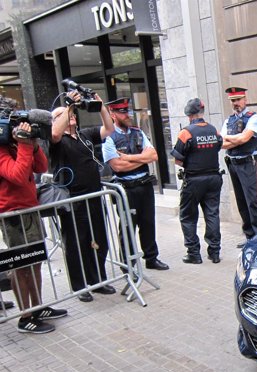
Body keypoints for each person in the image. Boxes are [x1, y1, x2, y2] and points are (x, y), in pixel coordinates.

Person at [0, 96, 67, 333]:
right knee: (21, 266)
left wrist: (33, 143)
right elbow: (17, 175)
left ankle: (38, 307)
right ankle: (24, 316)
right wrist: (25, 145)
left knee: (36, 261)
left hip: (30, 208)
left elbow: (40, 167)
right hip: (12, 215)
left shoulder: (18, 143)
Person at [50, 90, 117, 302]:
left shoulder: (84, 135)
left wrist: (101, 106)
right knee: (76, 245)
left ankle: (97, 280)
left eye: (71, 113)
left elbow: (109, 128)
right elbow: (54, 134)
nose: (70, 116)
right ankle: (81, 287)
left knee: (98, 240)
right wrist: (68, 105)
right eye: (63, 115)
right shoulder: (56, 141)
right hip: (73, 201)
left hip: (94, 196)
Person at [102, 98, 169, 271]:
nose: (127, 114)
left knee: (148, 223)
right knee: (127, 225)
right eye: (122, 112)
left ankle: (151, 258)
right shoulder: (108, 137)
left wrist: (128, 158)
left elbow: (153, 156)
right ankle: (128, 263)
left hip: (144, 185)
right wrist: (141, 159)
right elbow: (117, 165)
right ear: (112, 114)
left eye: (127, 111)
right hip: (125, 189)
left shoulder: (137, 132)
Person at [171, 98, 224, 264]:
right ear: (202, 112)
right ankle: (214, 252)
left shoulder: (186, 132)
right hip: (214, 178)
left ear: (189, 115)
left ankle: (194, 254)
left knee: (187, 216)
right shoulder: (213, 130)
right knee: (212, 214)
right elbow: (218, 146)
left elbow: (178, 160)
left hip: (194, 180)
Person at [221, 87, 257, 248]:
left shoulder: (253, 118)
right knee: (241, 201)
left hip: (248, 162)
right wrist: (236, 139)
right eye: (233, 101)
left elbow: (244, 138)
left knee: (253, 200)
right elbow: (221, 143)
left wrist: (232, 139)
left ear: (245, 100)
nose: (236, 103)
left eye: (238, 100)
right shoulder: (229, 120)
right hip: (233, 163)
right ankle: (249, 237)